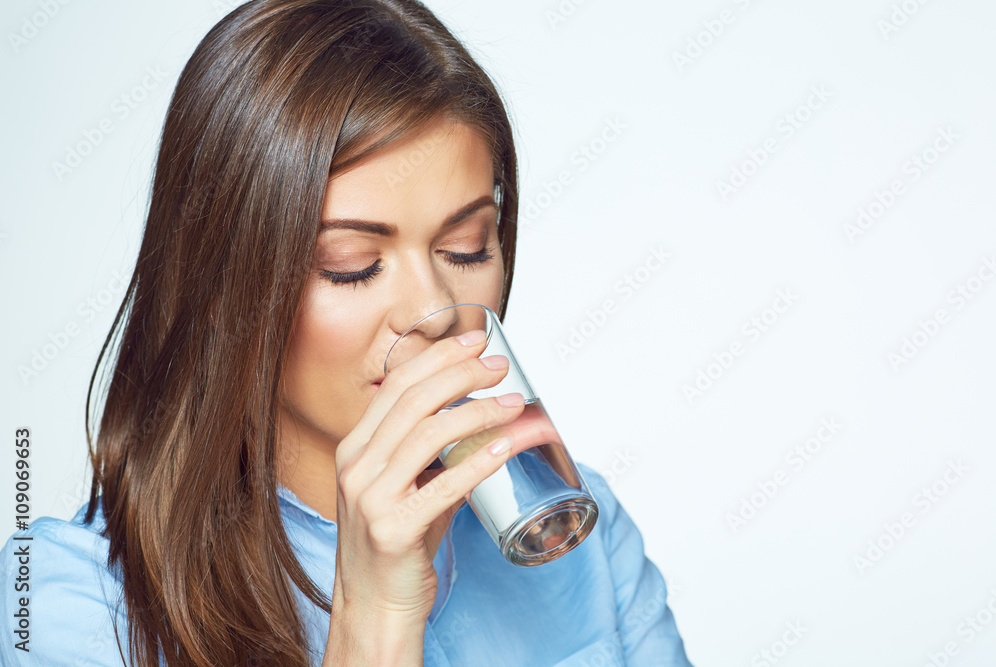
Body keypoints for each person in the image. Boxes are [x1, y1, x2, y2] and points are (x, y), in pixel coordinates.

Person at [0, 1, 694, 664]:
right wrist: (373, 620)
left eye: (465, 248)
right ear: (220, 287)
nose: (432, 305)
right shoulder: (68, 604)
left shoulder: (581, 538)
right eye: (352, 265)